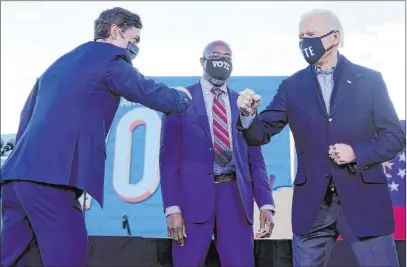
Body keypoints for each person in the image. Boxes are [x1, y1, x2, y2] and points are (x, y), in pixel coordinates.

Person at [0, 7, 192, 267]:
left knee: (12, 257)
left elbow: (26, 119)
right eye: (133, 40)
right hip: (52, 180)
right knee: (70, 255)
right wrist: (182, 98)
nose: (134, 48)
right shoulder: (111, 60)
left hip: (16, 178)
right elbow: (146, 90)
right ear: (115, 32)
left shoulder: (58, 64)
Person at [236, 9, 405, 267]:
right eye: (301, 37)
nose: (305, 42)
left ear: (334, 37)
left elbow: (395, 137)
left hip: (364, 202)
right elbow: (260, 132)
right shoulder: (292, 86)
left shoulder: (369, 81)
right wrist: (248, 115)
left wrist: (356, 152)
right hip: (313, 207)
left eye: (311, 35)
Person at [160, 40, 275, 267]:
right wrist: (172, 209)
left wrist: (265, 204)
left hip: (235, 198)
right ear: (202, 61)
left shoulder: (243, 104)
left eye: (227, 57)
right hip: (192, 200)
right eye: (215, 55)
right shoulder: (180, 99)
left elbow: (256, 160)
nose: (221, 60)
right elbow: (168, 161)